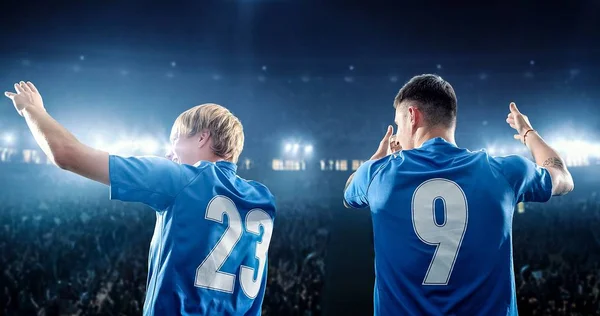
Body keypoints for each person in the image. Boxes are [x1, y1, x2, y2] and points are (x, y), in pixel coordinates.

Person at [4, 81, 277, 316]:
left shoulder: (181, 178)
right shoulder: (263, 199)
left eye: (176, 141)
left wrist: (31, 109)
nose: (170, 153)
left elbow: (66, 154)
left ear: (202, 137)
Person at [343, 74, 574, 315]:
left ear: (412, 116)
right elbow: (562, 177)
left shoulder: (377, 174)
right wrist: (527, 132)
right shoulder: (501, 172)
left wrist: (377, 160)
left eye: (398, 124)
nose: (397, 134)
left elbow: (349, 191)